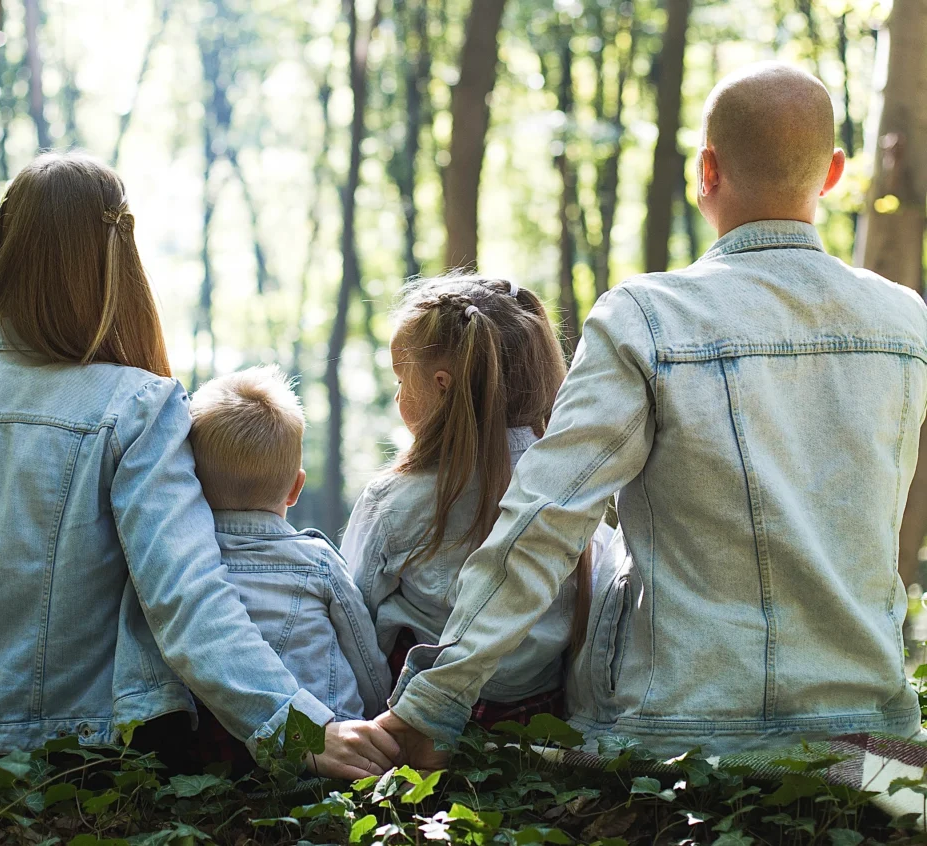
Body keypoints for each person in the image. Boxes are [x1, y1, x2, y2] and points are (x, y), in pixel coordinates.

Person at [375, 62, 927, 764]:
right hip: (872, 738)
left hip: (676, 735)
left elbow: (545, 520)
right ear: (834, 174)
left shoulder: (647, 318)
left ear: (706, 171)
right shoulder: (906, 323)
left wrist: (433, 703)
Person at [0, 152, 398, 779]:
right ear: (115, 263)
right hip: (104, 758)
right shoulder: (137, 405)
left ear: (3, 253)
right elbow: (186, 597)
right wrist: (299, 729)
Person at [341, 275, 615, 727]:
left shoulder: (393, 502)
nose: (396, 396)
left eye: (400, 378)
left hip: (413, 725)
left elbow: (354, 621)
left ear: (442, 385)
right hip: (539, 725)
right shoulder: (574, 497)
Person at [188, 366, 390, 721]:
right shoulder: (318, 563)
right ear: (296, 488)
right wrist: (376, 715)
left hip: (220, 746)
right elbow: (365, 660)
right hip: (329, 739)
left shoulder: (182, 564)